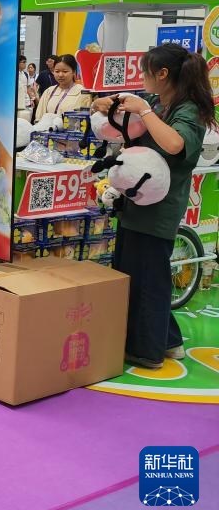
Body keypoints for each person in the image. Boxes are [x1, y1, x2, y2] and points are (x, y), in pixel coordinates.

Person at [91, 43, 214, 369]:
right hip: (135, 203)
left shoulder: (187, 111)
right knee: (133, 275)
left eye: (145, 71)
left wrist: (144, 110)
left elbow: (174, 144)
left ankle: (148, 351)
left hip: (158, 209)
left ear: (162, 73)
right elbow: (121, 118)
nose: (141, 76)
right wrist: (104, 104)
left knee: (149, 280)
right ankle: (169, 340)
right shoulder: (159, 102)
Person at [33, 54, 90, 121]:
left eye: (65, 71)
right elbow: (39, 116)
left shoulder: (83, 92)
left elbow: (85, 118)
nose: (60, 75)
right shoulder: (49, 91)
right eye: (57, 71)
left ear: (73, 72)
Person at [17, 55, 33, 121]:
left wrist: (31, 99)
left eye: (25, 62)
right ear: (18, 62)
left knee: (26, 120)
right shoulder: (13, 73)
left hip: (26, 101)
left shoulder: (26, 74)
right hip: (17, 101)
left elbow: (28, 88)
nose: (25, 64)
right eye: (23, 62)